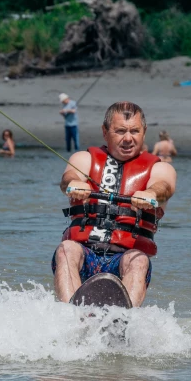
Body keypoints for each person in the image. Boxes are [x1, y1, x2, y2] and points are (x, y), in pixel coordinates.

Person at [53, 101, 177, 307]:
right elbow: (69, 176)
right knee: (66, 249)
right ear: (105, 131)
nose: (128, 138)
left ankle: (123, 322)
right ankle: (71, 318)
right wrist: (73, 182)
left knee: (139, 259)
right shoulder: (84, 159)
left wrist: (150, 193)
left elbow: (164, 187)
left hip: (124, 260)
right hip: (85, 254)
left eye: (134, 131)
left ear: (144, 132)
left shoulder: (160, 168)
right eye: (120, 131)